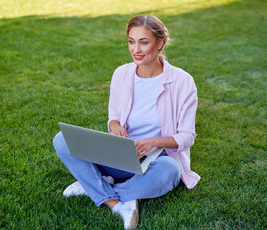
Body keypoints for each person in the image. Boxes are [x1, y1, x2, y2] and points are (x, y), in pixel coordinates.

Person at [53, 15, 200, 229]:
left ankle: (95, 186)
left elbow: (187, 137)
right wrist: (115, 127)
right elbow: (113, 118)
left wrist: (152, 142)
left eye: (144, 42)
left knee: (170, 170)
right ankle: (118, 200)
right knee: (62, 139)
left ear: (160, 43)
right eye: (131, 41)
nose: (136, 49)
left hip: (155, 160)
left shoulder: (182, 81)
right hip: (120, 155)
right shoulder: (121, 74)